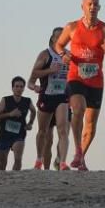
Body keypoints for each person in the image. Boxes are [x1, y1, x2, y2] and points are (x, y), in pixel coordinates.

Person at [54, 0, 105, 171]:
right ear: (82, 7)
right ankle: (77, 150)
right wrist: (63, 55)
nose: (92, 7)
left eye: (96, 4)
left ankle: (81, 156)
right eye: (89, 4)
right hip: (76, 77)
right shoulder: (72, 27)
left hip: (96, 81)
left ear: (99, 8)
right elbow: (58, 45)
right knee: (78, 109)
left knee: (90, 125)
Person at [28, 27, 72, 170]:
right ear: (53, 39)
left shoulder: (68, 55)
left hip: (62, 97)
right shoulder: (45, 55)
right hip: (47, 95)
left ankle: (63, 162)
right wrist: (50, 71)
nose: (62, 40)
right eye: (59, 37)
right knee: (43, 132)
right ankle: (39, 159)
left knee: (63, 129)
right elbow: (34, 74)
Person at [0, 76, 36, 171]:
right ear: (12, 88)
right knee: (2, 164)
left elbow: (33, 111)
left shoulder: (27, 101)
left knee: (18, 159)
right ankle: (1, 183)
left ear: (24, 88)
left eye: (21, 87)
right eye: (16, 86)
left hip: (19, 134)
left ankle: (15, 180)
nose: (19, 89)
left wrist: (30, 123)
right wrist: (10, 114)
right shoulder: (5, 100)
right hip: (4, 135)